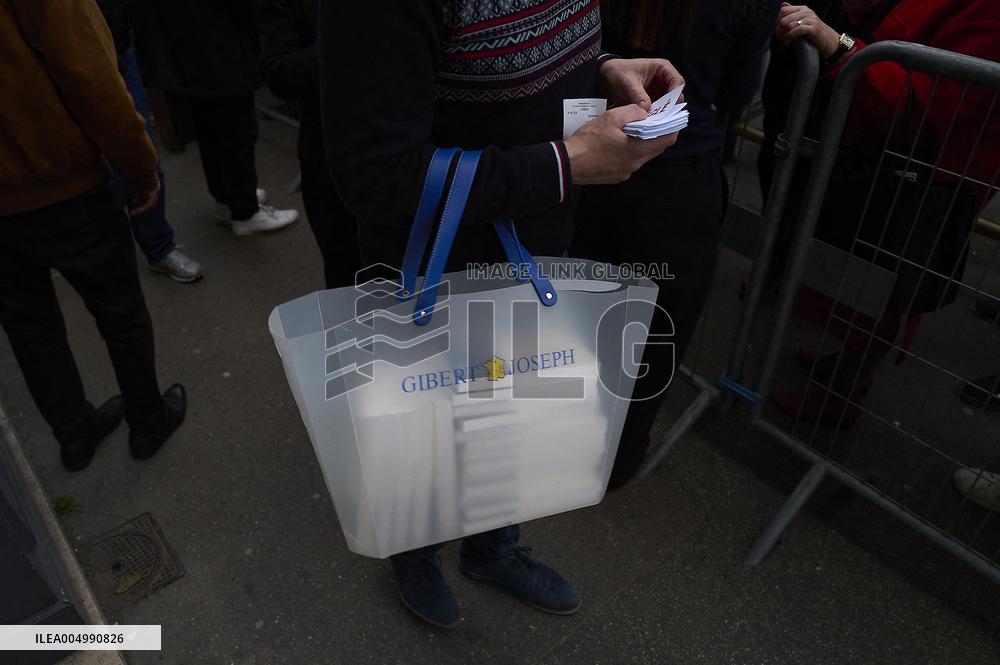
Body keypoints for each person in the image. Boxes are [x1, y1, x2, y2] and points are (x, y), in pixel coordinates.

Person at [321, 0, 684, 628]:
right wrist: (564, 164)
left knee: (512, 415)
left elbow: (507, 72)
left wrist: (600, 68)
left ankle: (493, 547)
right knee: (429, 425)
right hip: (437, 264)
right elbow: (373, 176)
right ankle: (418, 552)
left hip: (538, 247)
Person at [571, 0, 780, 488]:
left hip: (587, 152)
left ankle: (565, 437)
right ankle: (616, 460)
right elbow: (738, 90)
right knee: (654, 334)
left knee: (579, 309)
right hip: (675, 173)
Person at [762, 0, 1000, 427]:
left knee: (888, 288)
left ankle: (843, 392)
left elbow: (930, 109)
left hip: (929, 177)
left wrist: (841, 47)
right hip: (884, 150)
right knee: (859, 274)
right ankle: (844, 364)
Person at [0, 0, 186, 471]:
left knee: (30, 329)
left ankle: (75, 436)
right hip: (62, 182)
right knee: (119, 314)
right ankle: (147, 421)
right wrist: (141, 167)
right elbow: (88, 72)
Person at [130, 0, 299, 238]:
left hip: (188, 46)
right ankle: (245, 211)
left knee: (210, 128)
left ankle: (226, 199)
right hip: (219, 45)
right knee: (237, 131)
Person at [97, 0, 203, 283]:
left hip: (118, 46)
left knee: (144, 151)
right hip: (69, 57)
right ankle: (110, 262)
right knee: (98, 169)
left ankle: (159, 248)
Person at [259, 0, 362, 288]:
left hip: (417, 158)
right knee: (350, 283)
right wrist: (346, 45)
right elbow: (279, 71)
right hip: (335, 166)